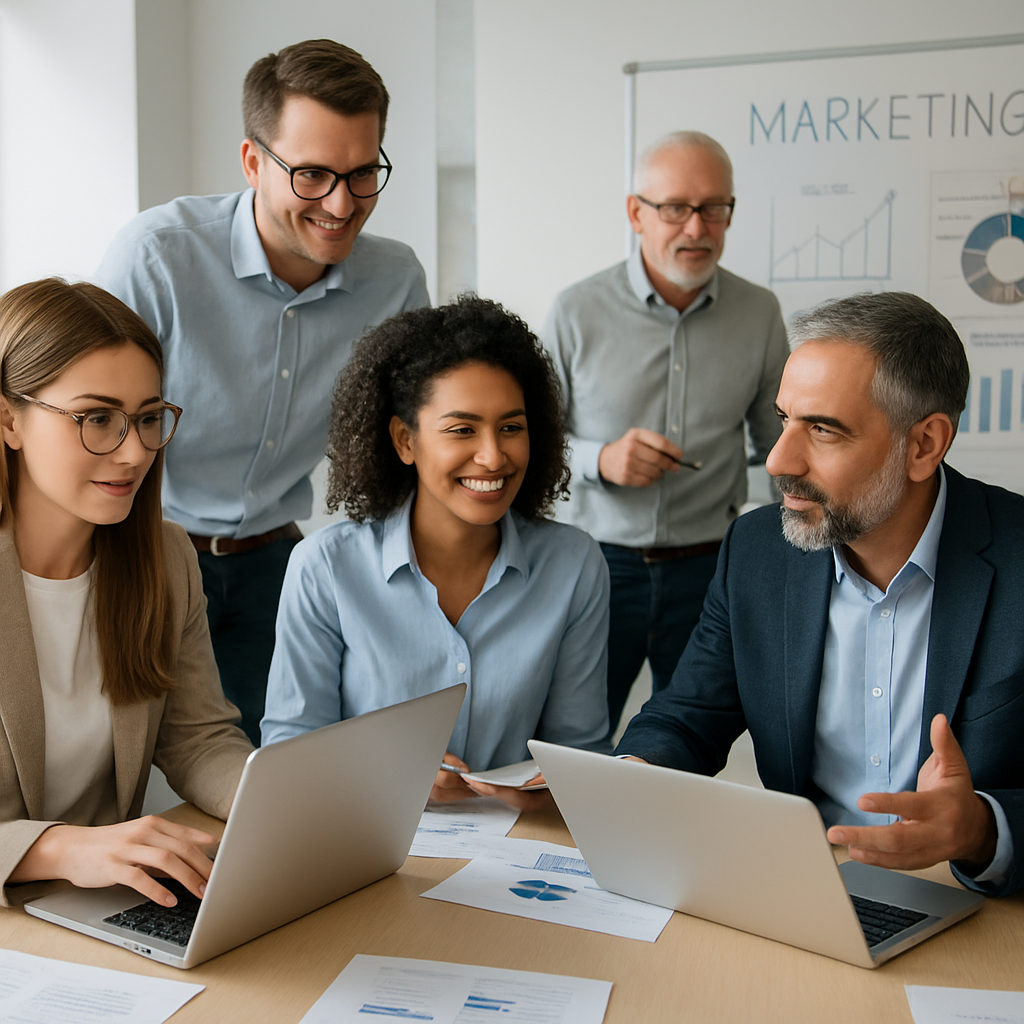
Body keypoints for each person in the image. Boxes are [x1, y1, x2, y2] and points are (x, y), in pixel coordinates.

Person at [616, 290, 1024, 897]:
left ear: (924, 445)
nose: (780, 460)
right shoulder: (757, 550)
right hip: (808, 898)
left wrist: (982, 830)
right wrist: (629, 777)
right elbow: (688, 718)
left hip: (978, 912)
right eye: (784, 420)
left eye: (823, 430)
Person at [95, 39, 429, 745]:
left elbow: (406, 444)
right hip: (142, 553)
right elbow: (89, 420)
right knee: (111, 765)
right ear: (253, 162)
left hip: (275, 562)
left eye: (363, 173)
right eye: (311, 174)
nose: (341, 203)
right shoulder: (157, 255)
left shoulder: (396, 280)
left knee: (260, 772)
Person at [260, 296, 610, 809]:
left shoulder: (574, 565)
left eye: (511, 427)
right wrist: (386, 775)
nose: (493, 455)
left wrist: (556, 787)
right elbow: (287, 756)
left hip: (517, 856)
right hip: (362, 845)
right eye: (462, 430)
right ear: (405, 440)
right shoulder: (325, 568)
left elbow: (580, 754)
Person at [0, 278, 253, 910]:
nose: (135, 451)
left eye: (146, 418)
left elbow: (199, 739)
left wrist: (281, 804)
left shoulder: (165, 559)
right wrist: (58, 849)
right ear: (9, 419)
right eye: (97, 419)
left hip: (110, 912)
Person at [542, 130, 788, 738]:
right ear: (636, 213)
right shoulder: (576, 311)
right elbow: (529, 447)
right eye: (676, 208)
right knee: (575, 741)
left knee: (693, 746)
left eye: (714, 208)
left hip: (710, 572)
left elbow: (787, 447)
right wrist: (602, 459)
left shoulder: (760, 314)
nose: (697, 229)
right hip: (597, 566)